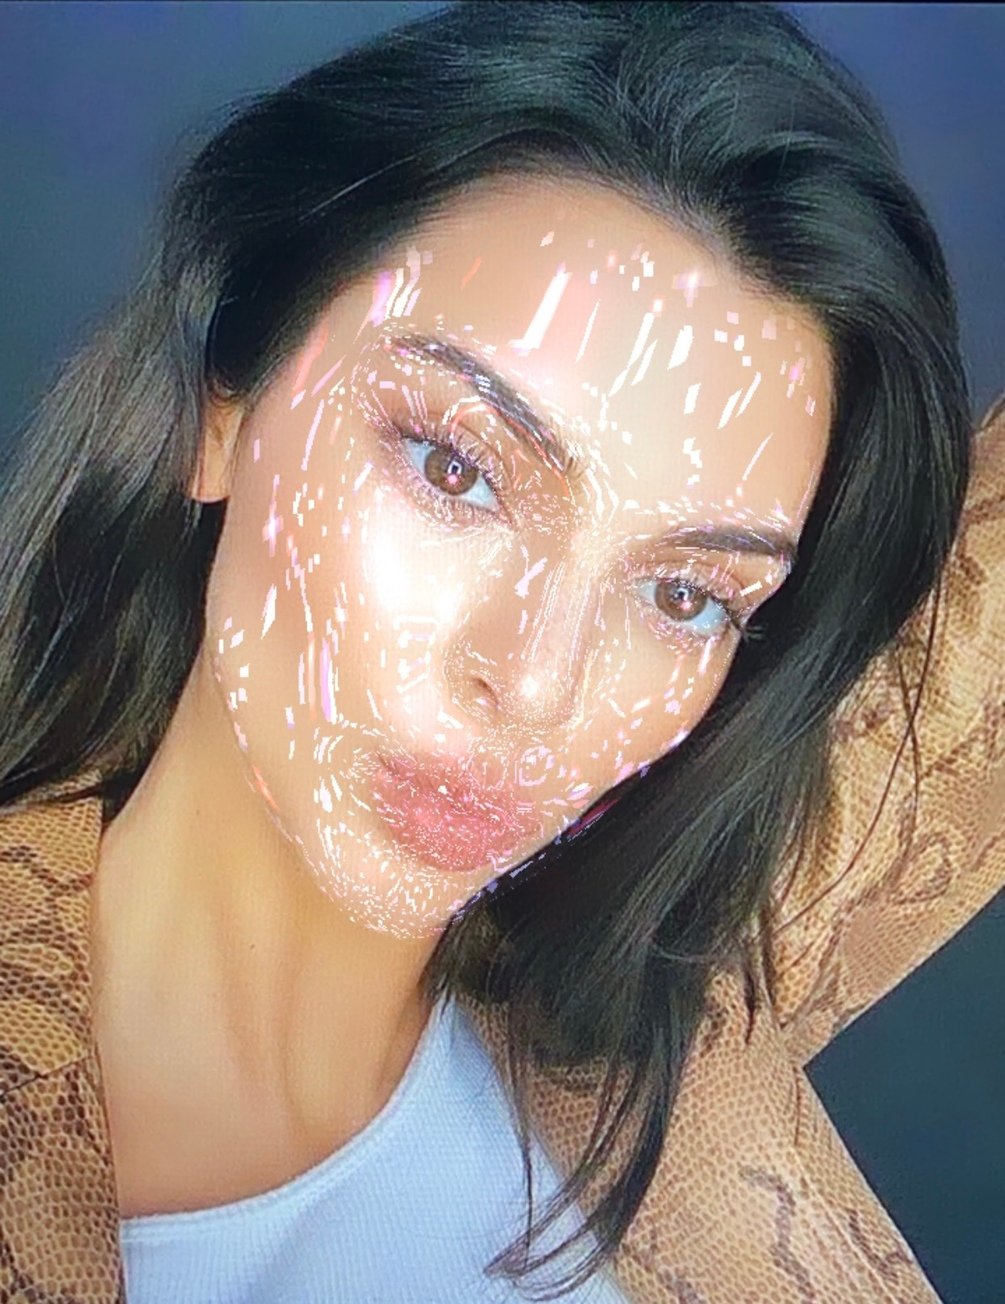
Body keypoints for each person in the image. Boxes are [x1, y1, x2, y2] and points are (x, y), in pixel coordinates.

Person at [0, 3, 1002, 1301]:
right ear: (223, 404)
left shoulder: (665, 986)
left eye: (686, 595)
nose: (535, 685)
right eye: (454, 467)